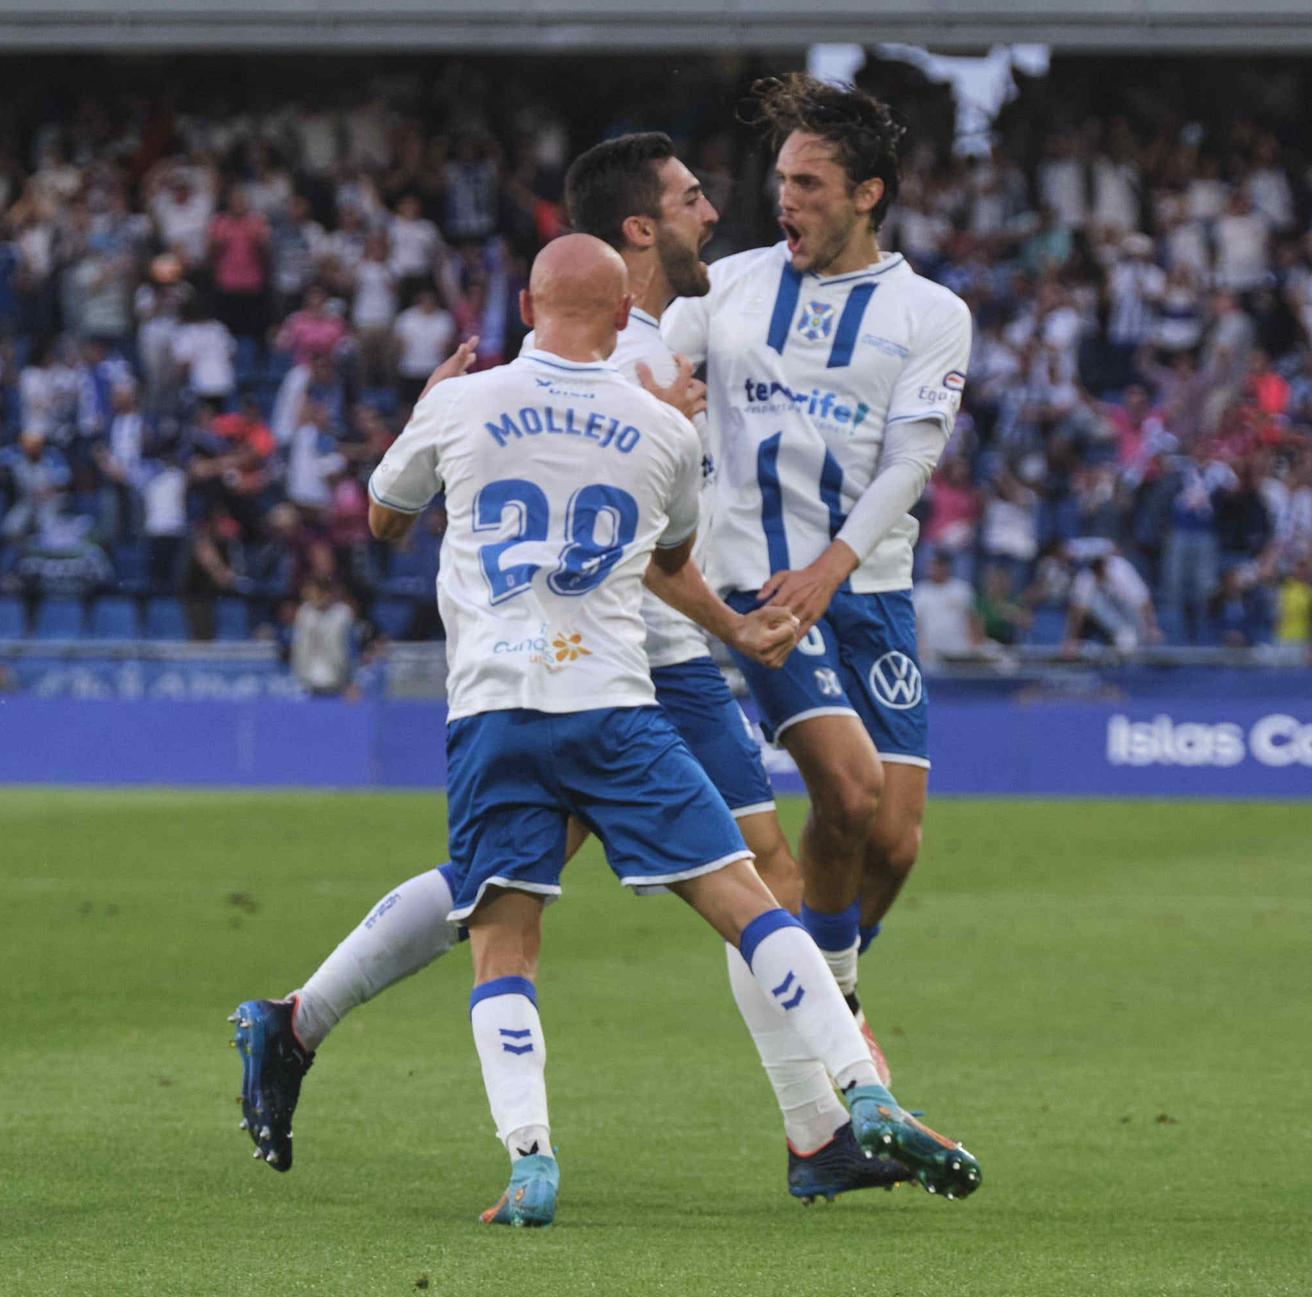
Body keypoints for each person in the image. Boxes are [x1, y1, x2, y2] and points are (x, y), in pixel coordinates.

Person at [231, 134, 908, 1202]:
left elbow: (388, 510)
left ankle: (304, 1025)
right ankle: (828, 1122)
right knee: (747, 879)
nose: (708, 216)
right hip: (641, 667)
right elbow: (654, 564)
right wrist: (732, 630)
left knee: (493, 891)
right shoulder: (638, 380)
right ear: (634, 231)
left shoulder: (586, 360)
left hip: (528, 683)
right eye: (691, 201)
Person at [660, 75, 973, 1069]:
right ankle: (833, 1020)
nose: (781, 200)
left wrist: (836, 566)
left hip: (864, 587)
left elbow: (910, 460)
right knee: (845, 796)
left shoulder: (928, 313)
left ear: (866, 193)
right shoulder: (727, 287)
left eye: (806, 183)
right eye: (778, 180)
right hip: (762, 590)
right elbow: (643, 378)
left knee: (894, 841)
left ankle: (831, 984)